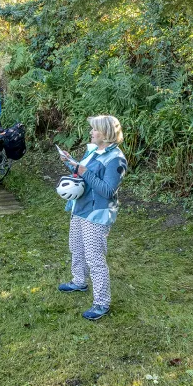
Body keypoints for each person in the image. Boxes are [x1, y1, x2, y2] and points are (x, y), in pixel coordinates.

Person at [57, 115, 127, 321]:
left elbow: (107, 190)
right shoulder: (94, 150)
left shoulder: (116, 159)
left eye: (95, 130)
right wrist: (71, 163)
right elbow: (83, 174)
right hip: (80, 207)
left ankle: (101, 303)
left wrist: (84, 170)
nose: (91, 132)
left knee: (95, 258)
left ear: (106, 134)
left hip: (97, 214)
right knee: (76, 248)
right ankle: (79, 281)